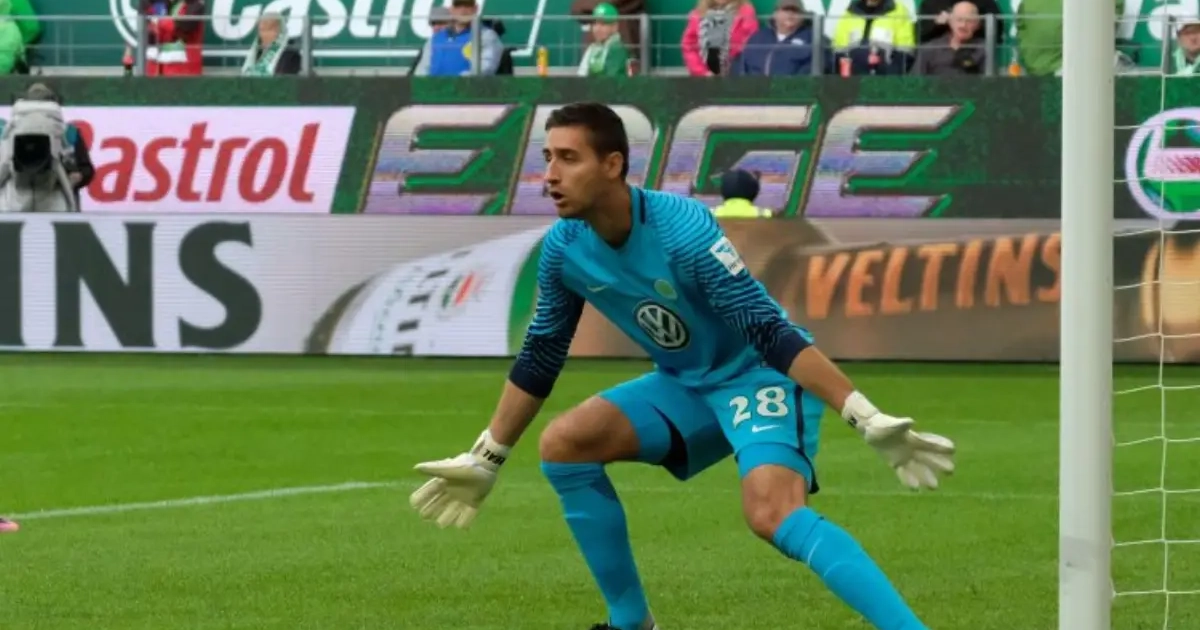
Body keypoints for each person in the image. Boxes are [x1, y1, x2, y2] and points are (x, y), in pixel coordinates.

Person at [410, 102, 956, 630]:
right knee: (564, 444)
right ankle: (632, 623)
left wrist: (862, 415)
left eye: (568, 158)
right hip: (686, 384)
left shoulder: (683, 229)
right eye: (547, 157)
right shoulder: (563, 248)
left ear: (613, 165)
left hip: (756, 376)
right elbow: (542, 353)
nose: (549, 175)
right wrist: (488, 456)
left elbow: (766, 329)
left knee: (771, 514)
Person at [578, 3, 630, 77]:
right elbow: (581, 75)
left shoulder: (617, 49)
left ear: (615, 26)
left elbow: (611, 80)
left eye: (603, 24)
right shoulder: (592, 48)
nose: (597, 29)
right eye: (595, 24)